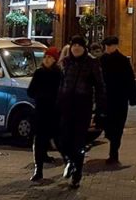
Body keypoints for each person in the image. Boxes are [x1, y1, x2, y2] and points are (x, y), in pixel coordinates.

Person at [58, 36, 106, 189]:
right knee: (63, 140)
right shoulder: (66, 62)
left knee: (78, 142)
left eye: (79, 45)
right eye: (74, 45)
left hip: (82, 107)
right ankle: (70, 161)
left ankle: (77, 174)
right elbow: (61, 84)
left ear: (84, 47)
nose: (76, 48)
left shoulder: (92, 62)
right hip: (66, 106)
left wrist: (99, 110)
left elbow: (100, 87)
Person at [99, 36, 136, 164]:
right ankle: (112, 146)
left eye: (110, 46)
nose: (108, 48)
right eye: (106, 46)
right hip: (107, 99)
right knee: (109, 125)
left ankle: (113, 153)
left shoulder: (122, 61)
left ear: (115, 46)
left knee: (118, 126)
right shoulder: (102, 60)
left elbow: (130, 80)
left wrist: (132, 98)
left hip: (119, 99)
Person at [27, 46, 62, 182]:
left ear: (55, 60)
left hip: (54, 113)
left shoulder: (58, 74)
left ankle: (70, 164)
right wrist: (40, 95)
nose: (47, 60)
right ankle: (38, 169)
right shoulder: (39, 73)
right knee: (39, 141)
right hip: (41, 112)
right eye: (46, 57)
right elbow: (30, 91)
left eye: (50, 58)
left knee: (59, 141)